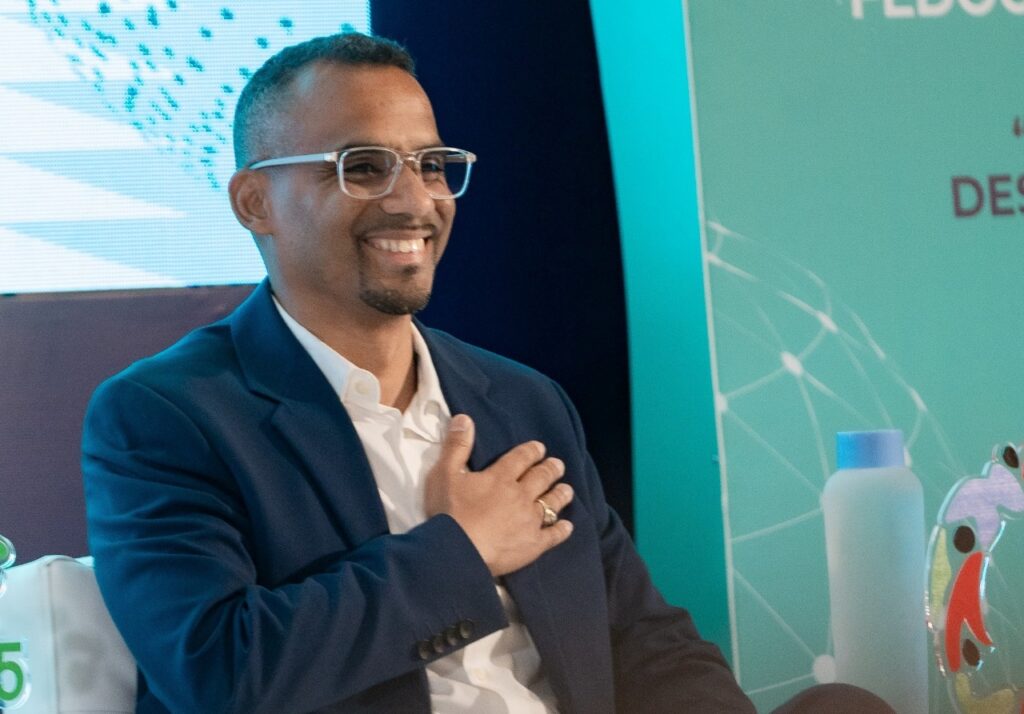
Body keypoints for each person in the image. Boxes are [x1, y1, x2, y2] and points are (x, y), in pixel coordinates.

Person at [82, 33, 893, 714]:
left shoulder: (522, 402)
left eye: (432, 165)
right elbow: (222, 674)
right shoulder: (165, 415)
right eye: (364, 166)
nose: (414, 201)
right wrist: (461, 550)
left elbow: (645, 640)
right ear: (254, 202)